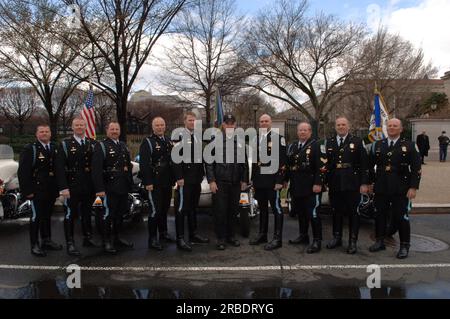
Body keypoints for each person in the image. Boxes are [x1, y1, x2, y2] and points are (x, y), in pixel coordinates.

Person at [368, 118, 421, 259]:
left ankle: (404, 245)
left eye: (395, 126)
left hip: (401, 187)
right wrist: (371, 182)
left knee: (401, 217)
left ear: (401, 129)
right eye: (389, 125)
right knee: (379, 215)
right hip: (381, 187)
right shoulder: (377, 145)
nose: (392, 128)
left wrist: (413, 187)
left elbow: (416, 169)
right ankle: (380, 241)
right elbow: (370, 166)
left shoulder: (410, 146)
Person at [324, 117, 369, 254]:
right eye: (338, 125)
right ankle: (337, 237)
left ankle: (352, 241)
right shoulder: (329, 142)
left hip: (352, 182)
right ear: (335, 127)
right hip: (335, 182)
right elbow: (326, 164)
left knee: (353, 213)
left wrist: (364, 183)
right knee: (336, 211)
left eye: (343, 124)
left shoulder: (356, 141)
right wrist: (326, 181)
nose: (341, 127)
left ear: (348, 126)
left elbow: (364, 164)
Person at [18, 124, 63, 257]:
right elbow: (23, 172)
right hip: (36, 190)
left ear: (50, 133)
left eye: (46, 131)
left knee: (47, 216)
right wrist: (27, 191)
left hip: (50, 189)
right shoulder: (30, 149)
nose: (44, 134)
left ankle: (46, 240)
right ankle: (34, 245)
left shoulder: (54, 147)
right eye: (41, 132)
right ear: (37, 134)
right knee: (36, 218)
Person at [55, 117, 97, 256]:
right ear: (72, 127)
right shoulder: (66, 144)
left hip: (88, 186)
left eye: (82, 125)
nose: (79, 127)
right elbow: (59, 168)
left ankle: (87, 238)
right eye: (77, 125)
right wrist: (63, 187)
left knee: (87, 213)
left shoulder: (92, 143)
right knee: (70, 215)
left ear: (86, 127)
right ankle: (70, 243)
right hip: (72, 186)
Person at [205, 115, 249, 250]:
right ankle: (221, 238)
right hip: (220, 183)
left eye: (232, 123)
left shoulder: (240, 141)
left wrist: (244, 180)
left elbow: (245, 164)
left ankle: (231, 236)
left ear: (235, 125)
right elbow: (208, 163)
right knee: (220, 211)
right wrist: (211, 181)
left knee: (233, 211)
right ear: (223, 125)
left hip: (235, 183)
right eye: (227, 123)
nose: (229, 126)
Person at [92, 122, 134, 254]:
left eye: (117, 129)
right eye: (112, 129)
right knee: (107, 215)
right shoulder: (101, 146)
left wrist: (130, 184)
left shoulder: (122, 145)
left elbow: (128, 166)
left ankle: (117, 237)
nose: (115, 131)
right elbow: (96, 170)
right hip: (108, 187)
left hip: (122, 186)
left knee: (120, 214)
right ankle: (106, 241)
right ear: (107, 130)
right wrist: (99, 189)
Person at [172, 112, 210, 252]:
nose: (192, 122)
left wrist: (202, 175)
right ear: (184, 121)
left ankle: (193, 234)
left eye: (194, 120)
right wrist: (179, 177)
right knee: (182, 209)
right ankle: (180, 238)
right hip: (185, 180)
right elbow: (175, 158)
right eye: (190, 120)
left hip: (196, 179)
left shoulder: (197, 136)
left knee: (193, 207)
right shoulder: (178, 136)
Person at [286, 122, 325, 254]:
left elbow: (322, 167)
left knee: (313, 214)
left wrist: (318, 183)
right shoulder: (293, 146)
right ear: (297, 132)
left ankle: (317, 240)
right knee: (301, 213)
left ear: (310, 132)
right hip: (297, 185)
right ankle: (303, 236)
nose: (302, 132)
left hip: (311, 186)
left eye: (305, 130)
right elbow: (289, 165)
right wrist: (285, 181)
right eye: (300, 130)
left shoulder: (317, 145)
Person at [249, 114, 287, 250]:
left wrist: (280, 180)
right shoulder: (256, 139)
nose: (263, 123)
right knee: (263, 209)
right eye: (261, 121)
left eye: (266, 121)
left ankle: (277, 239)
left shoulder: (279, 139)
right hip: (259, 181)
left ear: (271, 123)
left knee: (276, 209)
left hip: (272, 181)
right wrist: (253, 180)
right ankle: (262, 234)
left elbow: (283, 162)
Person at [139, 117, 176, 251]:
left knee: (164, 209)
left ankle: (163, 233)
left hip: (166, 182)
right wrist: (148, 182)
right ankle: (152, 239)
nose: (160, 127)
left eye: (162, 125)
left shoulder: (167, 141)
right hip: (154, 183)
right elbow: (144, 164)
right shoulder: (147, 142)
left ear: (165, 126)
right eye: (157, 125)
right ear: (152, 127)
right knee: (155, 211)